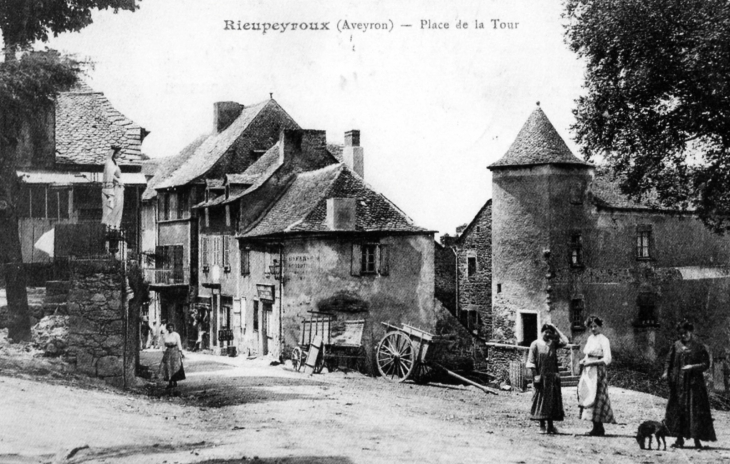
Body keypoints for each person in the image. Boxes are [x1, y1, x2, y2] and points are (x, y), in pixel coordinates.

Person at [662, 320, 717, 449]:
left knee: (695, 412)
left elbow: (706, 364)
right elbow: (669, 360)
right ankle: (679, 439)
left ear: (690, 331)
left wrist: (692, 367)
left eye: (685, 333)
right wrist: (666, 372)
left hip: (694, 385)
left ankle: (697, 441)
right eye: (680, 334)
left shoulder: (699, 346)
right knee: (678, 410)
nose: (683, 336)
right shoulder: (676, 345)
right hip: (679, 384)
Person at [526, 322, 569, 434]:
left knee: (552, 401)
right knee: (541, 400)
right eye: (546, 332)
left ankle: (550, 426)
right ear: (542, 332)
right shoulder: (535, 344)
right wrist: (536, 377)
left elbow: (565, 341)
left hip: (552, 377)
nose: (548, 334)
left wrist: (555, 327)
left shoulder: (553, 343)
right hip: (540, 376)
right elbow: (531, 362)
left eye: (550, 332)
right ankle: (541, 425)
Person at [577, 315, 616, 436]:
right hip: (588, 370)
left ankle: (600, 427)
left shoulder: (604, 340)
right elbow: (588, 354)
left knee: (598, 396)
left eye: (595, 326)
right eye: (591, 326)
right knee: (588, 395)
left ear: (600, 326)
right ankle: (595, 426)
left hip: (598, 370)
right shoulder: (590, 339)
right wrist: (584, 360)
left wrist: (592, 363)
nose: (593, 329)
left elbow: (607, 359)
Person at [101, 145, 125, 229]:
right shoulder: (109, 163)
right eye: (118, 153)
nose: (119, 155)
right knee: (112, 206)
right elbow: (110, 175)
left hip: (118, 187)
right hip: (112, 188)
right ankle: (110, 224)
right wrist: (118, 181)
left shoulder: (115, 162)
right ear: (114, 153)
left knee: (118, 206)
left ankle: (115, 224)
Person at [159, 323, 186, 389]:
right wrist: (163, 350)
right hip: (168, 351)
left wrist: (180, 351)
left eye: (171, 327)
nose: (170, 328)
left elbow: (179, 343)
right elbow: (163, 343)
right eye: (169, 327)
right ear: (167, 328)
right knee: (168, 366)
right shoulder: (165, 335)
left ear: (173, 328)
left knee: (175, 366)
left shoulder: (176, 335)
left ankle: (175, 381)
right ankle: (170, 382)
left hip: (175, 351)